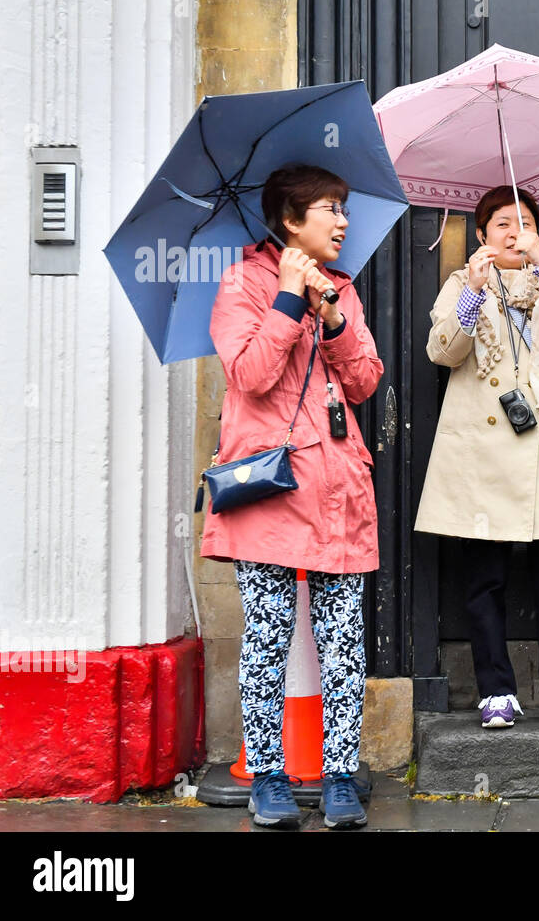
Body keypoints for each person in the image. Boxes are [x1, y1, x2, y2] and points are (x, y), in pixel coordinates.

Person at [202, 163, 384, 829]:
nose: (342, 221)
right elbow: (249, 376)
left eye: (344, 208)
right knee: (268, 638)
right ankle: (269, 777)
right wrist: (284, 301)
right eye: (330, 208)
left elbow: (364, 381)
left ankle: (340, 775)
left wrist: (330, 314)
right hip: (270, 490)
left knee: (342, 644)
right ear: (289, 218)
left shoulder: (341, 289)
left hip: (337, 489)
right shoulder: (242, 282)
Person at [415, 185, 539, 729]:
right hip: (482, 449)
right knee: (485, 579)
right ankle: (495, 690)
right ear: (481, 235)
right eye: (502, 224)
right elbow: (442, 352)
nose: (515, 231)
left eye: (525, 222)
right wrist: (473, 291)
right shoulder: (459, 284)